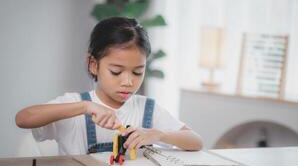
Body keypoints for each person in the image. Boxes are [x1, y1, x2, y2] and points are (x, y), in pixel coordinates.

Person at [15, 17, 203, 155]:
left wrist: (159, 134)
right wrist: (85, 107)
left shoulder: (147, 108)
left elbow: (196, 141)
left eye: (138, 72)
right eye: (116, 71)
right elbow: (23, 118)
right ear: (93, 65)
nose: (128, 82)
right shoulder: (75, 104)